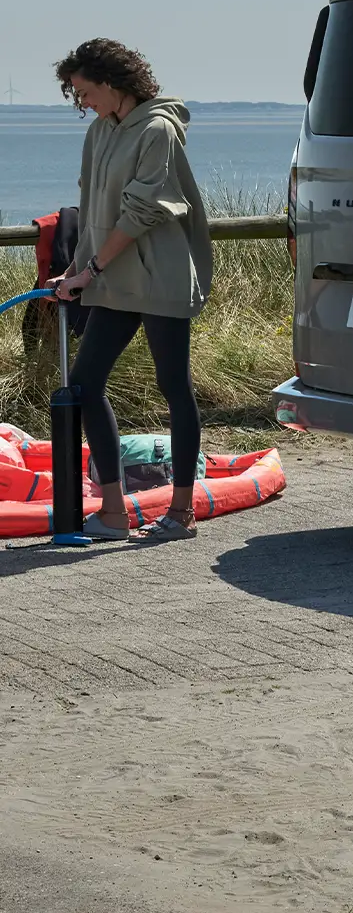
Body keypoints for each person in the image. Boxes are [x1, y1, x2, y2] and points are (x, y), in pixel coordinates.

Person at [46, 39, 213, 543]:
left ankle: (180, 514)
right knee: (84, 385)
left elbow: (141, 213)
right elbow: (94, 208)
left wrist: (91, 269)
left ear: (113, 82)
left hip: (159, 274)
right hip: (111, 276)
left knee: (173, 386)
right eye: (77, 95)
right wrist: (74, 269)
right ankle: (114, 513)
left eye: (86, 92)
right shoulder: (100, 131)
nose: (83, 103)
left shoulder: (159, 129)